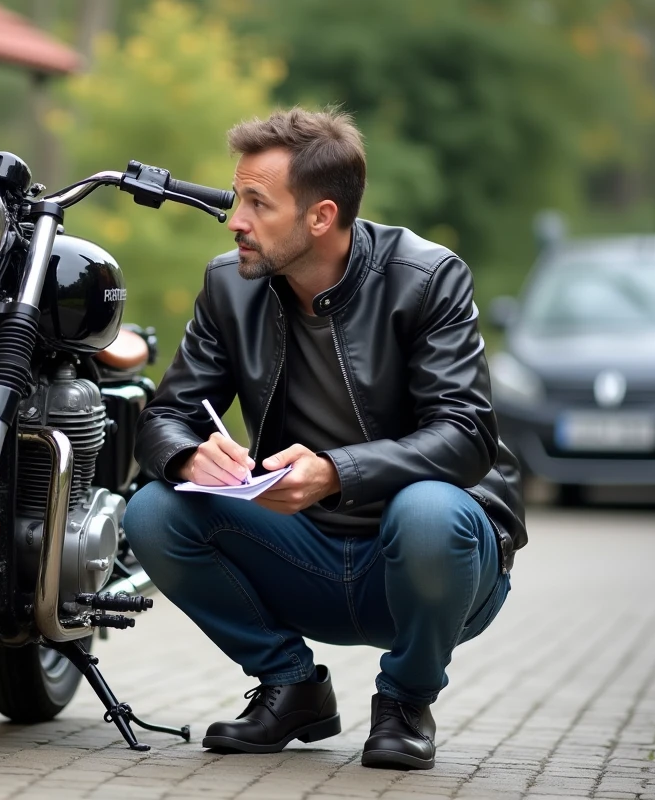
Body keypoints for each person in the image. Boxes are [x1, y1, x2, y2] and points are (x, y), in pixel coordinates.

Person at [122, 107, 527, 770]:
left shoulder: (427, 277)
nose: (235, 221)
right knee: (153, 511)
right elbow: (164, 419)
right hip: (303, 554)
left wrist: (337, 472)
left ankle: (405, 703)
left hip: (433, 568)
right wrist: (189, 455)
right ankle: (291, 688)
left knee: (428, 511)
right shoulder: (230, 285)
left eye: (258, 204)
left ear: (321, 216)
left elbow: (466, 434)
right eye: (238, 198)